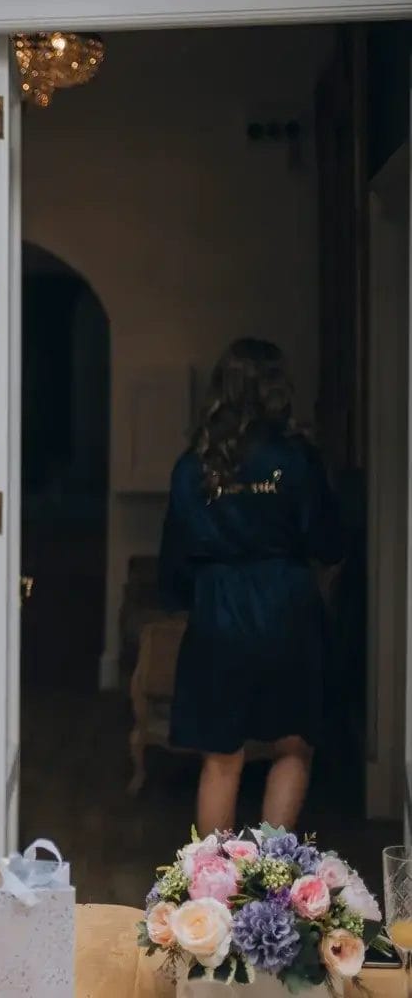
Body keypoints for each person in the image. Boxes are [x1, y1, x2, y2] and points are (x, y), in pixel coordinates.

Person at [159, 339, 343, 835]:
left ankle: (214, 892)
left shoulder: (194, 464)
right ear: (277, 390)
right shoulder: (299, 459)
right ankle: (272, 884)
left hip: (219, 609)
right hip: (287, 606)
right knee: (292, 745)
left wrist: (182, 600)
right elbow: (329, 540)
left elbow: (175, 552)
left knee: (221, 757)